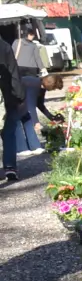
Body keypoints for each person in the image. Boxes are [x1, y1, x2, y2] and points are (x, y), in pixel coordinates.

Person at [14, 26, 56, 155]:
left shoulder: (17, 42)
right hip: (27, 74)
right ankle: (23, 147)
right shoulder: (33, 46)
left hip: (18, 71)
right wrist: (43, 69)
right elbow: (31, 105)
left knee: (24, 114)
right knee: (18, 116)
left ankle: (32, 146)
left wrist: (50, 117)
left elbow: (37, 104)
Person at [0, 35, 21, 181]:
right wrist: (19, 96)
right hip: (8, 95)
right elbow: (14, 72)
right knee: (9, 134)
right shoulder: (5, 46)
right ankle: (10, 167)